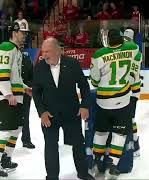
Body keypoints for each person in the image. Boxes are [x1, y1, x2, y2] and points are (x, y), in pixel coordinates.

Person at [32, 37, 94, 180]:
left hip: (71, 113)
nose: (44, 54)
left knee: (78, 144)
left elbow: (84, 86)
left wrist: (85, 105)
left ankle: (83, 173)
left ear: (58, 51)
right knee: (51, 146)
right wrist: (42, 112)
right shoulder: (40, 67)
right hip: (50, 115)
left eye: (48, 51)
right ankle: (52, 176)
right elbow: (36, 91)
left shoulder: (72, 64)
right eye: (43, 51)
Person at [90, 28, 141, 179]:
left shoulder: (99, 54)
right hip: (123, 100)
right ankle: (112, 164)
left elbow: (94, 81)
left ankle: (96, 162)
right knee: (120, 133)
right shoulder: (132, 48)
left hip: (104, 102)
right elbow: (137, 56)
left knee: (101, 132)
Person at [0, 21, 31, 179]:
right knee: (5, 131)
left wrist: (24, 88)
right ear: (14, 32)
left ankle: (5, 158)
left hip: (14, 97)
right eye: (23, 32)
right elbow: (0, 73)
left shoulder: (16, 50)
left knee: (16, 129)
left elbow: (14, 76)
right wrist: (8, 94)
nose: (25, 35)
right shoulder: (6, 47)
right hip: (5, 98)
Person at [123, 28, 141, 157]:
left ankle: (133, 144)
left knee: (127, 118)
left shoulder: (128, 48)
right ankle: (135, 144)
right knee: (131, 118)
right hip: (134, 90)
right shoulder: (137, 50)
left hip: (126, 89)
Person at [19, 44, 35, 149]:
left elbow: (32, 75)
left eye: (22, 46)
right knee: (12, 118)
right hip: (14, 93)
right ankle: (8, 141)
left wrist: (29, 86)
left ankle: (26, 140)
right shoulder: (12, 57)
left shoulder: (27, 57)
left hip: (26, 93)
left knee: (25, 117)